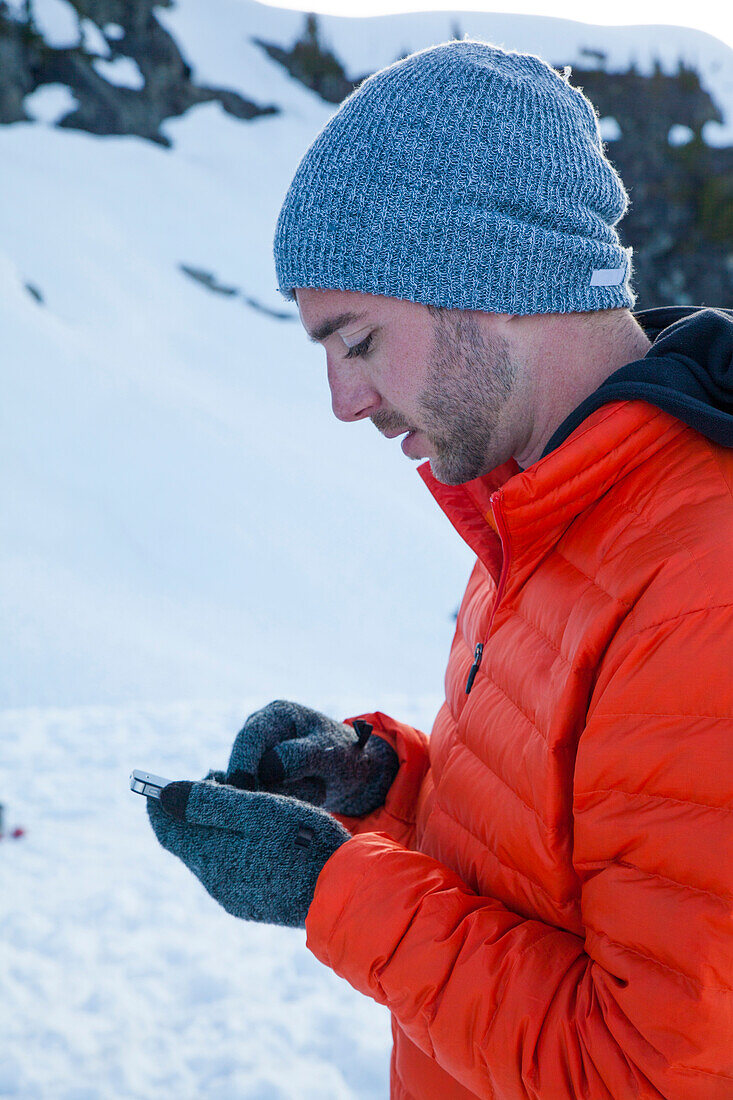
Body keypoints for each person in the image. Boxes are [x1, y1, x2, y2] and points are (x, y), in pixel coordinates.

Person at [147, 40, 733, 1098]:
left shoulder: (702, 589)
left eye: (359, 340)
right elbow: (548, 864)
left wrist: (333, 887)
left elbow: (649, 1073)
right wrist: (381, 784)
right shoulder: (545, 510)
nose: (342, 400)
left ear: (494, 281)